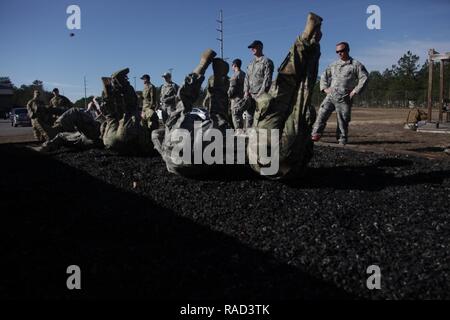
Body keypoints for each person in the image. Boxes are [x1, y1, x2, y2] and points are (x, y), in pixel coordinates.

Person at [247, 12, 323, 180]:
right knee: (291, 89)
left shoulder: (264, 62)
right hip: (268, 159)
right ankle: (308, 41)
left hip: (269, 159)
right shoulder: (251, 64)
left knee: (300, 95)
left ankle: (308, 40)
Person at [152, 49, 233, 176]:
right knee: (218, 119)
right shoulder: (201, 129)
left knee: (181, 108)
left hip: (172, 160)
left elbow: (156, 134)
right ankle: (217, 75)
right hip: (195, 165)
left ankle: (202, 66)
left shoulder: (180, 126)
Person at [311, 41, 368, 145]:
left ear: (348, 50)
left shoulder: (355, 64)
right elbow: (324, 75)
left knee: (343, 120)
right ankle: (315, 135)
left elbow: (364, 77)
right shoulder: (333, 64)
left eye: (342, 51)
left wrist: (355, 91)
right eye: (337, 51)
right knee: (321, 114)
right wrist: (324, 88)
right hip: (331, 96)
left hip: (344, 98)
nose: (339, 53)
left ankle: (341, 140)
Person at [100, 68, 154, 155]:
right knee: (131, 117)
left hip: (110, 139)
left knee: (112, 118)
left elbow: (108, 111)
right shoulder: (123, 91)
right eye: (124, 79)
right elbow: (132, 108)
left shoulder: (112, 92)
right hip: (124, 137)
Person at [243, 40, 274, 129]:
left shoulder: (267, 62)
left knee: (259, 119)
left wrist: (261, 94)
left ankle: (258, 139)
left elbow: (267, 80)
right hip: (250, 95)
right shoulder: (251, 63)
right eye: (251, 48)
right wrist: (246, 91)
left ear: (260, 47)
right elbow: (246, 78)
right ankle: (248, 138)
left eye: (254, 47)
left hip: (260, 96)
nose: (252, 49)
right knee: (249, 118)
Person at [228, 58, 246, 133]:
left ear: (234, 65)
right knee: (241, 116)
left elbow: (232, 89)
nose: (232, 67)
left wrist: (227, 95)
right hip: (243, 98)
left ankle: (239, 133)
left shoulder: (235, 75)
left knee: (235, 116)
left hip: (236, 99)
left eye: (232, 65)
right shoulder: (244, 74)